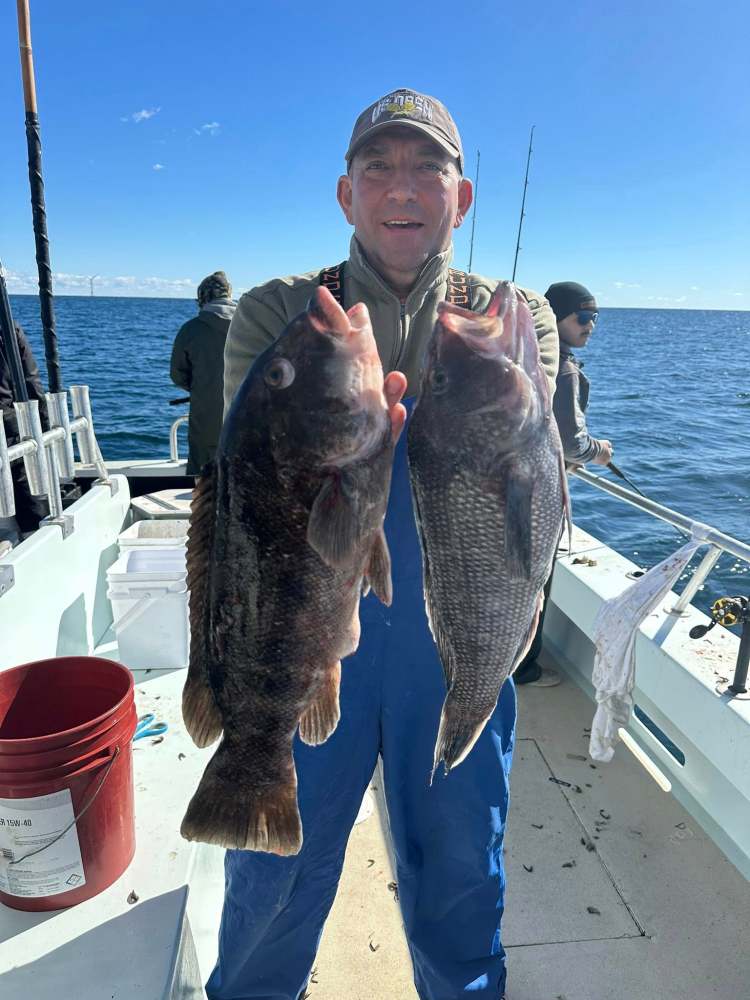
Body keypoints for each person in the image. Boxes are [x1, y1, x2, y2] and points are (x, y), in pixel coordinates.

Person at [214, 89, 559, 1000]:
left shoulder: (518, 319)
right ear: (345, 194)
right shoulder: (278, 311)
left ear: (463, 195)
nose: (401, 189)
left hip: (453, 632)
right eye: (380, 168)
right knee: (274, 876)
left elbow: (527, 453)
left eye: (427, 169)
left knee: (457, 869)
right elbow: (245, 496)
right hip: (312, 622)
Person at [514, 281, 612, 686]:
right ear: (555, 320)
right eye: (584, 317)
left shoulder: (525, 362)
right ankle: (524, 666)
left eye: (596, 318)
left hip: (516, 490)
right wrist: (600, 452)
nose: (591, 325)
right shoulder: (565, 370)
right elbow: (571, 441)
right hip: (541, 498)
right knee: (536, 582)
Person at [170, 270, 236, 476]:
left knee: (204, 472)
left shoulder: (191, 330)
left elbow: (177, 374)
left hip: (207, 416)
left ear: (201, 298)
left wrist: (202, 387)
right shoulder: (251, 325)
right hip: (248, 416)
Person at [0, 321, 49, 546]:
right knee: (27, 491)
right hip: (10, 427)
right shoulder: (8, 325)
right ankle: (34, 546)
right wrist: (44, 428)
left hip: (9, 428)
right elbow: (32, 382)